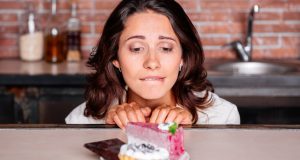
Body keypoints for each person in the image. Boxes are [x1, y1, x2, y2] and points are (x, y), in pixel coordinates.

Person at [65, 0, 240, 128]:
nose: (152, 62)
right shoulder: (82, 122)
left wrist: (194, 131)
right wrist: (105, 131)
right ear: (115, 58)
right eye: (136, 49)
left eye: (165, 48)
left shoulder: (222, 117)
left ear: (183, 57)